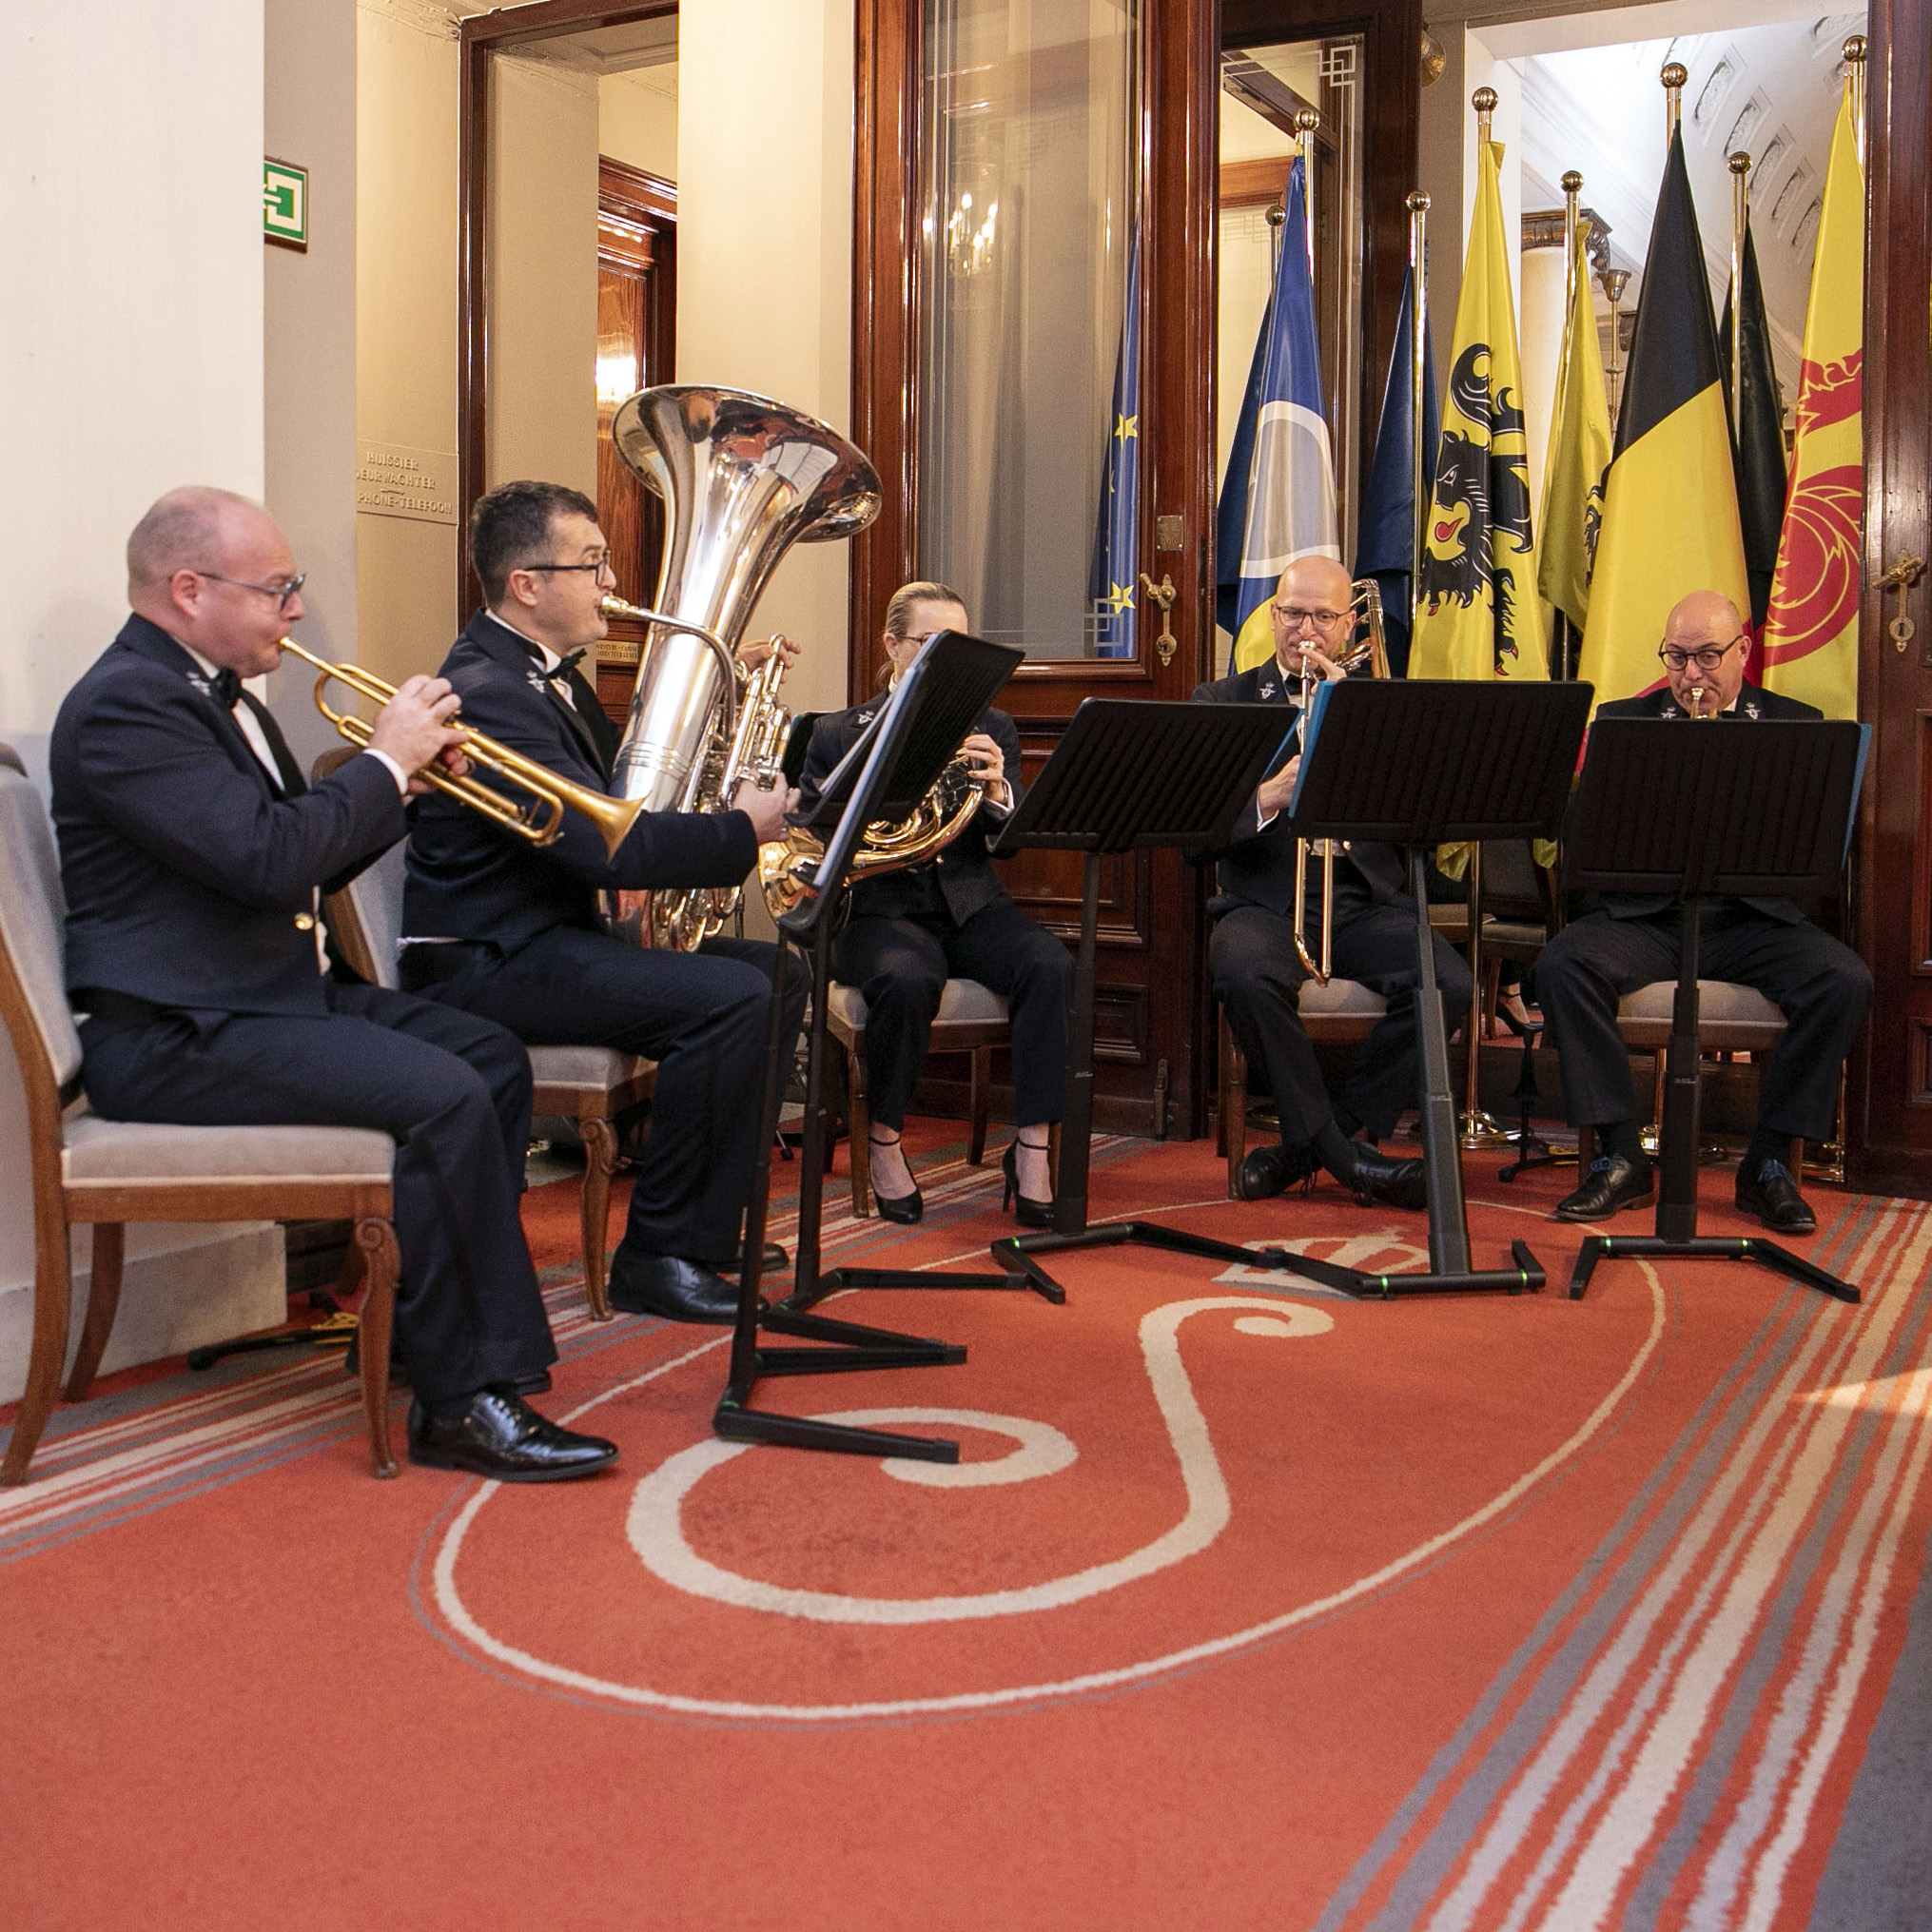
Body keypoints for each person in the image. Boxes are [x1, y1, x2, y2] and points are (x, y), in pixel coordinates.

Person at [51, 485, 615, 1482]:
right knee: (441, 1096)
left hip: (256, 997)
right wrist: (385, 762)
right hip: (174, 1033)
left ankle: (424, 1336)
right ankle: (463, 1402)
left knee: (484, 1056)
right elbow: (272, 863)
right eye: (278, 588)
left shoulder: (214, 694)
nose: (298, 609)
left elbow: (291, 859)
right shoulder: (126, 706)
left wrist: (406, 782)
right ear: (188, 590)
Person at [401, 479, 804, 1324]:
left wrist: (728, 712)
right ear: (527, 584)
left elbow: (621, 801)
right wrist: (742, 829)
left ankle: (705, 1223)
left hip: (552, 938)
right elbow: (604, 844)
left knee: (778, 972)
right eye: (592, 565)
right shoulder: (488, 689)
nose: (612, 584)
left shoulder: (552, 680)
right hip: (492, 959)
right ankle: (659, 1255)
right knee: (730, 998)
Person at [1536, 590, 1871, 1232]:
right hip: (1651, 917)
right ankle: (1619, 1155)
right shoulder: (1623, 723)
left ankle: (1768, 1161)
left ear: (1742, 652)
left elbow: (1816, 843)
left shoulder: (1793, 723)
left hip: (1751, 920)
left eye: (1707, 657)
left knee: (1843, 979)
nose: (1690, 675)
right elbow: (1587, 837)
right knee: (1561, 965)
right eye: (1676, 657)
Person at [1192, 555, 1468, 1208]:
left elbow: (1419, 823)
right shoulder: (1222, 700)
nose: (1305, 630)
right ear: (1271, 616)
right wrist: (1265, 796)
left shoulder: (1380, 707)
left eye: (1322, 616)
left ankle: (1315, 1144)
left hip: (1358, 900)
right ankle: (1350, 1161)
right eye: (1292, 613)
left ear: (1348, 626)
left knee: (1447, 981)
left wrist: (1364, 745)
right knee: (1241, 975)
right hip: (1263, 901)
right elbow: (1194, 835)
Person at [795, 581, 1072, 1225]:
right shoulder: (838, 732)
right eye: (931, 645)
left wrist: (1001, 789)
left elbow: (1005, 844)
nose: (949, 662)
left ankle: (1031, 1147)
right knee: (906, 976)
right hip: (879, 910)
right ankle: (885, 1139)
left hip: (971, 907)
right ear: (893, 646)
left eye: (960, 648)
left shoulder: (991, 725)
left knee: (1049, 964)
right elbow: (812, 836)